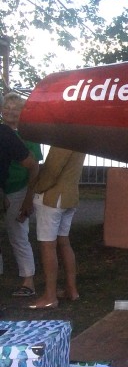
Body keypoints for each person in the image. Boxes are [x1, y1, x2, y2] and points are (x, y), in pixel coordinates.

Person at [26, 146, 85, 309]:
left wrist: (36, 189)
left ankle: (50, 296)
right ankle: (71, 290)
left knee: (47, 246)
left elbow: (52, 172)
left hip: (53, 198)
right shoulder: (79, 137)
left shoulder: (63, 138)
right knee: (64, 242)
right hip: (70, 196)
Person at [2, 93, 43, 297]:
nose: (9, 112)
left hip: (19, 190)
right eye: (6, 107)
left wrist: (29, 198)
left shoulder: (29, 135)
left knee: (18, 234)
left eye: (15, 108)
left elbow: (35, 167)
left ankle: (28, 281)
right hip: (2, 189)